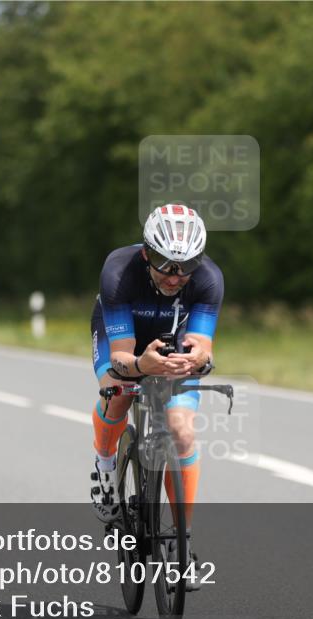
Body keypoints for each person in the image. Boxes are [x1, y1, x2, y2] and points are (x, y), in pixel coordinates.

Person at [89, 204, 223, 588]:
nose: (176, 276)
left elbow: (201, 347)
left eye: (187, 265)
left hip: (172, 337)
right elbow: (121, 358)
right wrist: (141, 365)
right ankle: (104, 467)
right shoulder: (118, 270)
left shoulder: (209, 279)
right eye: (165, 264)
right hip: (124, 336)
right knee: (118, 392)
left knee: (182, 431)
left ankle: (183, 542)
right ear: (147, 252)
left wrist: (198, 359)